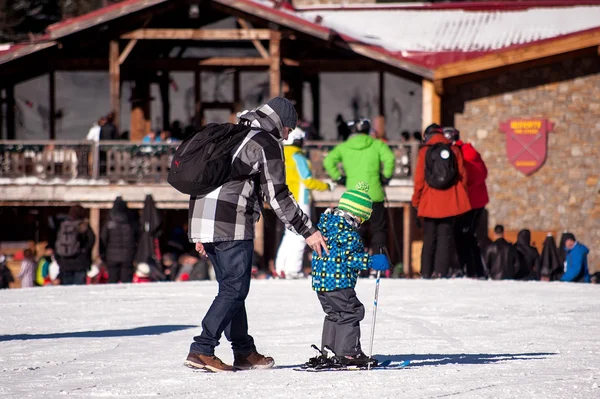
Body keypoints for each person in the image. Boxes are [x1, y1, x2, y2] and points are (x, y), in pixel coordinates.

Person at [185, 97, 328, 372]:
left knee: (231, 289)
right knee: (234, 289)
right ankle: (202, 348)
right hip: (231, 222)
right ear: (281, 124)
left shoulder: (233, 133)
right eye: (288, 130)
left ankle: (244, 351)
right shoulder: (265, 142)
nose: (287, 137)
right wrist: (307, 230)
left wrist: (200, 231)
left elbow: (204, 180)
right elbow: (278, 196)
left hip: (204, 219)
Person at [310, 182, 389, 367]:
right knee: (351, 312)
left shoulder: (325, 228)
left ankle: (329, 350)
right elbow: (350, 258)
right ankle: (348, 353)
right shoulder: (348, 235)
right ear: (354, 215)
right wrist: (372, 261)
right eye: (361, 219)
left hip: (321, 284)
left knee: (335, 315)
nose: (360, 225)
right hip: (339, 283)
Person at [323, 118, 395, 249]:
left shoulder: (344, 147)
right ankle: (378, 266)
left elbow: (328, 161)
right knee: (378, 230)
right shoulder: (377, 144)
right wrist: (386, 176)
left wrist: (339, 177)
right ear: (368, 130)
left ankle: (358, 265)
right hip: (375, 194)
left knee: (356, 231)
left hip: (354, 197)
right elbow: (390, 158)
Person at [412, 124, 471, 278]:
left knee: (429, 238)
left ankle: (426, 272)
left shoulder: (424, 152)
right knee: (445, 238)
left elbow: (419, 180)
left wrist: (416, 202)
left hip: (429, 201)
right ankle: (441, 272)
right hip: (450, 201)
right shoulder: (454, 150)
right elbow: (463, 177)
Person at [275, 127, 332, 279]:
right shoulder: (298, 156)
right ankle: (293, 269)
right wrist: (326, 186)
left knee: (289, 234)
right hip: (300, 198)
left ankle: (281, 268)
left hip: (284, 199)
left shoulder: (279, 155)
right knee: (302, 233)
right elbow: (307, 181)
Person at [444, 127, 488, 278]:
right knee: (469, 236)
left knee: (462, 236)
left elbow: (465, 178)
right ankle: (476, 270)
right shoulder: (471, 151)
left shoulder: (459, 153)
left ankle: (469, 270)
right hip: (479, 201)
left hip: (469, 202)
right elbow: (484, 173)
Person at [101, 197, 139, 283]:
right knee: (127, 281)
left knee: (112, 281)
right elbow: (137, 238)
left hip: (111, 256)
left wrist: (103, 255)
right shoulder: (131, 223)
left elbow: (103, 239)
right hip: (128, 256)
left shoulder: (109, 223)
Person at [55, 205, 96, 286]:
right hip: (80, 262)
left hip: (65, 263)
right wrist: (85, 251)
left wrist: (59, 259)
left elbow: (56, 242)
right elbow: (92, 239)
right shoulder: (83, 225)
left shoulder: (63, 225)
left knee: (67, 291)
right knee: (79, 292)